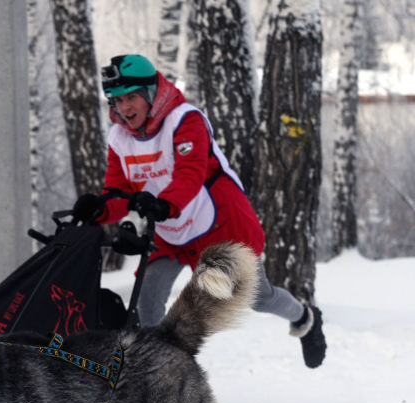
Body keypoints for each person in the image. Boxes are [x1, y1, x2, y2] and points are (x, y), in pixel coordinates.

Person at [73, 54, 326, 368]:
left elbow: (189, 173)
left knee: (257, 298)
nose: (124, 108)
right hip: (168, 230)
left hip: (218, 224)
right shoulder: (119, 138)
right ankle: (160, 381)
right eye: (117, 99)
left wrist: (163, 204)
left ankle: (305, 318)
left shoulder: (185, 119)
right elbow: (118, 191)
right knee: (146, 301)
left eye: (132, 97)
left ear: (151, 92)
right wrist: (98, 210)